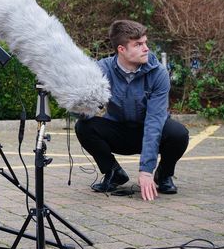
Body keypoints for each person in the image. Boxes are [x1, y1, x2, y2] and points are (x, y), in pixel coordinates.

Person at [75, 20, 189, 201]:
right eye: (138, 44)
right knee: (84, 126)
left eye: (145, 42)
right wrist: (78, 103)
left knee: (179, 134)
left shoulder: (158, 73)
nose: (146, 48)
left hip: (149, 130)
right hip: (119, 131)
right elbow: (85, 109)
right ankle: (113, 172)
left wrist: (146, 170)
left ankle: (164, 174)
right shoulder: (101, 70)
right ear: (121, 49)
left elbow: (154, 122)